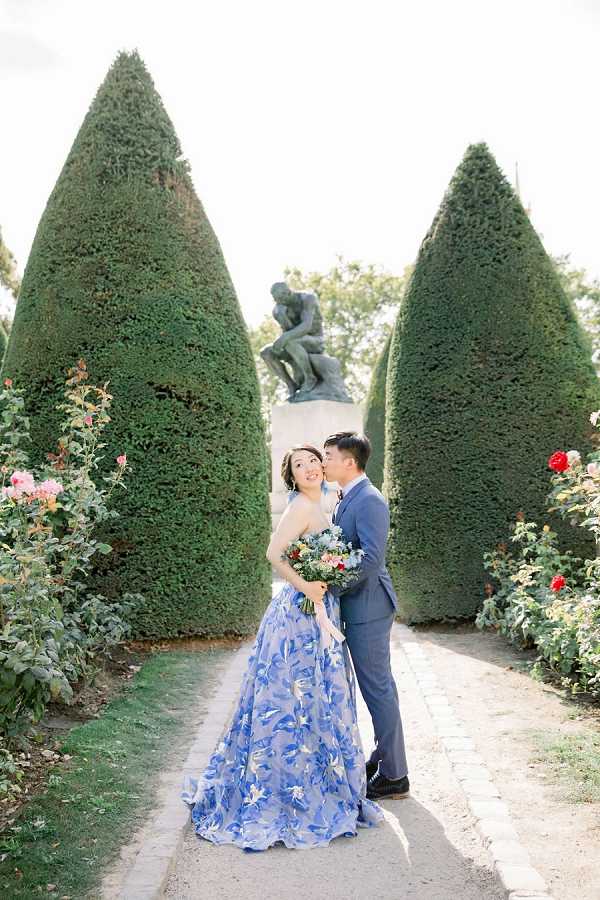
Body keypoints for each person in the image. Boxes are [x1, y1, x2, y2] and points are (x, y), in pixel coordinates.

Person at [181, 444, 383, 851]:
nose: (309, 467)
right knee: (290, 697)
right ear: (290, 475)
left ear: (323, 469)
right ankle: (282, 786)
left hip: (321, 612)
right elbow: (274, 553)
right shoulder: (301, 508)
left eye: (313, 461)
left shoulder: (327, 501)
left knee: (317, 697)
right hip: (298, 616)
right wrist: (307, 585)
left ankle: (321, 777)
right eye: (299, 465)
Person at [323, 431, 410, 801]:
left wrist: (332, 585)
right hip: (358, 606)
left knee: (377, 688)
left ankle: (395, 776)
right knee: (373, 687)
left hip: (370, 608)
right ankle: (384, 755)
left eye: (328, 455)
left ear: (349, 461)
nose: (323, 461)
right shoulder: (348, 496)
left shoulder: (370, 500)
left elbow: (372, 558)